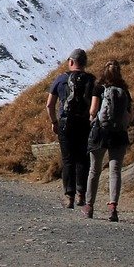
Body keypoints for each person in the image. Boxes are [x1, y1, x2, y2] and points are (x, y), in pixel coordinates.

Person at [83, 59, 133, 221]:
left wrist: (92, 120)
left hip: (100, 132)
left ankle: (89, 206)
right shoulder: (124, 90)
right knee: (115, 171)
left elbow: (93, 110)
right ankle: (113, 207)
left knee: (94, 170)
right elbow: (129, 115)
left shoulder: (99, 88)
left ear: (104, 72)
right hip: (119, 134)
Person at [45, 48, 95, 208]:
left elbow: (49, 104)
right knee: (83, 159)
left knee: (68, 160)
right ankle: (81, 195)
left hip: (66, 124)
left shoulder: (61, 79)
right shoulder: (92, 80)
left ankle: (69, 197)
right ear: (85, 63)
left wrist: (54, 122)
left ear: (71, 62)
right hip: (85, 124)